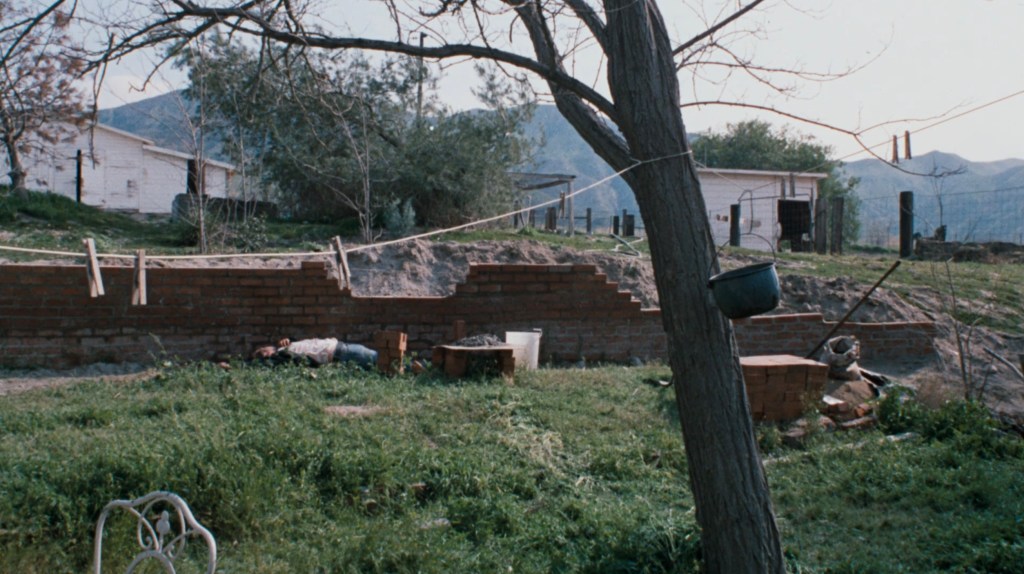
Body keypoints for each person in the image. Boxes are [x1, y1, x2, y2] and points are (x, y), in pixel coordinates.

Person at [252, 337, 378, 369]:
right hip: (340, 353)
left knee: (384, 359)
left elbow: (303, 346)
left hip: (341, 348)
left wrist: (289, 339)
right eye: (262, 352)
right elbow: (300, 358)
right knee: (383, 360)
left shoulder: (285, 347)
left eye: (263, 348)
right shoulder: (281, 355)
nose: (264, 349)